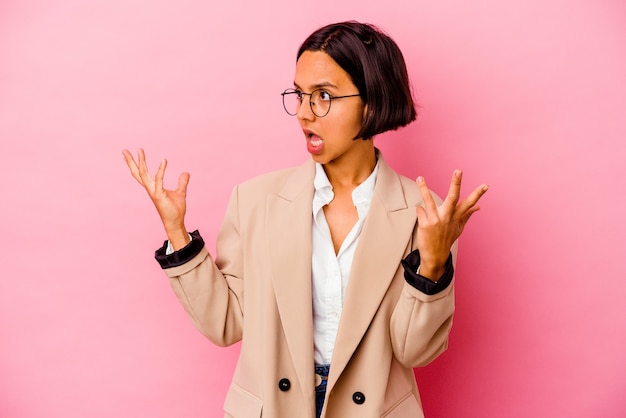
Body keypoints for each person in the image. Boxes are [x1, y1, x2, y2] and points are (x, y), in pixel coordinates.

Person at [123, 21, 487, 418]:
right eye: (299, 95)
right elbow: (225, 323)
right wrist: (177, 233)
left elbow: (413, 350)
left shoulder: (428, 215)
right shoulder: (256, 200)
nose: (303, 113)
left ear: (372, 101)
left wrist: (433, 262)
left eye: (323, 96)